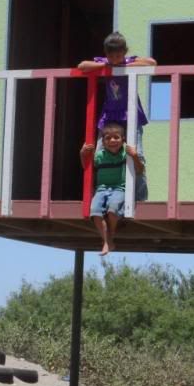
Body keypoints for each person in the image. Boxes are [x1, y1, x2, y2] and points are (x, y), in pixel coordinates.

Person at [78, 31, 156, 201]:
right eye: (111, 55)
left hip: (130, 114)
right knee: (98, 152)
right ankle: (95, 195)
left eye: (119, 55)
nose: (115, 59)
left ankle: (140, 197)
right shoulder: (105, 63)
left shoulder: (128, 61)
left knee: (137, 153)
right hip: (110, 115)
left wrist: (124, 66)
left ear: (124, 52)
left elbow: (152, 63)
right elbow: (82, 66)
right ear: (106, 54)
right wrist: (107, 67)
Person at [80, 122, 144, 255]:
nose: (112, 141)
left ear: (123, 139)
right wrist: (82, 154)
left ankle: (111, 235)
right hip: (101, 189)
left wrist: (135, 156)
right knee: (95, 211)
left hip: (119, 189)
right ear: (103, 141)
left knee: (113, 209)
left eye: (116, 137)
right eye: (108, 138)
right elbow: (88, 169)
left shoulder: (125, 155)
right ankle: (106, 241)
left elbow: (139, 170)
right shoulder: (100, 156)